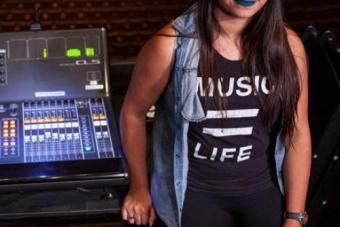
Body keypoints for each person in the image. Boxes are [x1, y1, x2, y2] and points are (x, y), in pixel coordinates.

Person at [119, 0, 311, 227]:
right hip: (194, 197)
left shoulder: (289, 47)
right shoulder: (170, 46)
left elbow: (297, 131)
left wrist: (294, 216)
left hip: (263, 194)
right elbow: (133, 113)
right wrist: (139, 188)